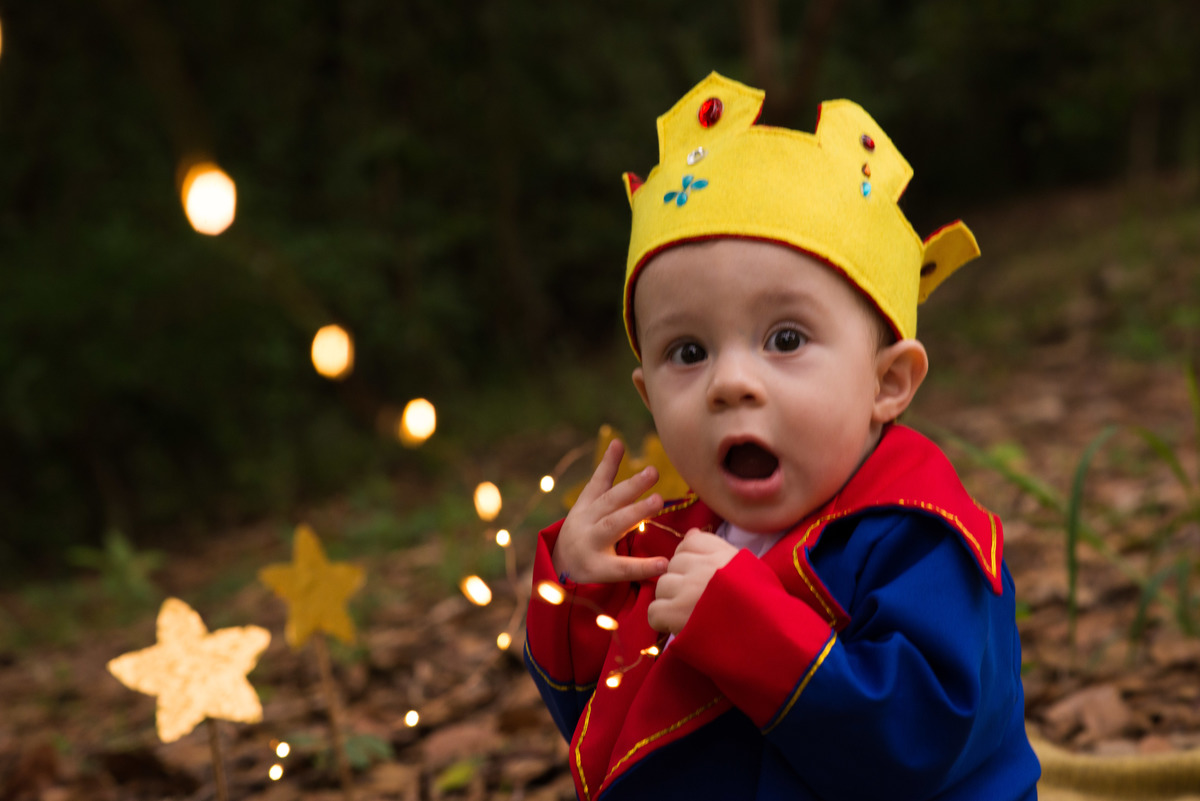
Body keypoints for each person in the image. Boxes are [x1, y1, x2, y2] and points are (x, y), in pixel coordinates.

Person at [524, 72, 1041, 801]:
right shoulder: (671, 543)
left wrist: (741, 623)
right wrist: (582, 591)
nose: (729, 382)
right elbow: (606, 729)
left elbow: (921, 741)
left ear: (887, 382)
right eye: (688, 352)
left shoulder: (921, 537)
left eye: (786, 337)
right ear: (648, 395)